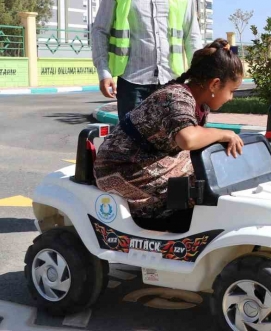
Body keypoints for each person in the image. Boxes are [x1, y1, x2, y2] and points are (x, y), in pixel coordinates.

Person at [94, 39, 243, 224]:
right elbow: (187, 139)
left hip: (153, 159)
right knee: (195, 190)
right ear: (214, 84)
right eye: (232, 90)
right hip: (123, 168)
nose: (231, 97)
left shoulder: (199, 102)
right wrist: (224, 134)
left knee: (215, 174)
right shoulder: (175, 97)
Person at [92, 0, 202, 122]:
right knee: (131, 144)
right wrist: (104, 72)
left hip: (172, 80)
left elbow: (192, 34)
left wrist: (199, 75)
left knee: (173, 143)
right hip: (132, 83)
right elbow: (100, 30)